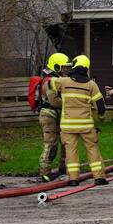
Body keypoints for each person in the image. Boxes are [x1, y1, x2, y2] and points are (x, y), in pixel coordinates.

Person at [48, 54, 107, 186]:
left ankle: (73, 179)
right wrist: (101, 118)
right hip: (86, 125)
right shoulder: (92, 85)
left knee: (71, 151)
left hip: (68, 126)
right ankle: (99, 177)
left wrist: (56, 97)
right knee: (92, 149)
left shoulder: (63, 81)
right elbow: (101, 106)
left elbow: (49, 83)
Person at [36, 52, 69, 182]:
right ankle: (45, 173)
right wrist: (70, 103)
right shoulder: (50, 82)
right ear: (56, 67)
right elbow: (54, 101)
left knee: (62, 142)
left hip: (54, 115)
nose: (67, 70)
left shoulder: (54, 80)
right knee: (50, 144)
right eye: (64, 67)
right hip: (49, 115)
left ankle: (63, 168)